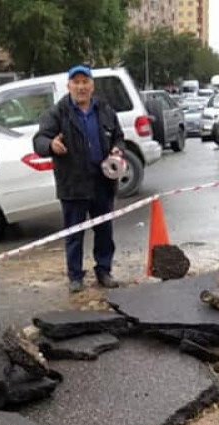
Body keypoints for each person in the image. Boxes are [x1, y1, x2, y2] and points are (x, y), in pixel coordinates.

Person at [33, 65, 125, 294]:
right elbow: (39, 141)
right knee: (74, 233)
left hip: (102, 181)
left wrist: (117, 149)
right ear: (69, 86)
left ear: (92, 86)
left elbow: (119, 137)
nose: (81, 87)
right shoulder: (58, 112)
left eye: (85, 82)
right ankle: (75, 276)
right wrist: (51, 146)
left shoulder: (105, 110)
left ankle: (104, 270)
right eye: (77, 82)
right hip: (73, 183)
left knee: (104, 230)